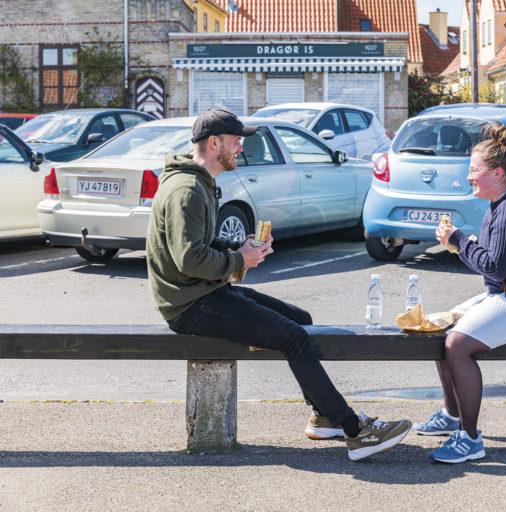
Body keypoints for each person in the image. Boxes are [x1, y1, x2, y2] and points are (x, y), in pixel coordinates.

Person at [146, 109, 411, 461]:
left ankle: (323, 416)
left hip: (202, 293)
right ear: (214, 143)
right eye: (236, 141)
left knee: (300, 319)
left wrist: (237, 250)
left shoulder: (200, 182)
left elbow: (199, 247)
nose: (241, 148)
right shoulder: (188, 189)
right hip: (189, 306)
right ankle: (354, 430)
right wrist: (240, 261)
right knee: (293, 337)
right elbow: (188, 259)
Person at [414, 122, 506, 463]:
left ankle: (469, 439)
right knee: (439, 328)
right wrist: (461, 244)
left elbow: (494, 268)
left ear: (497, 173)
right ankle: (452, 416)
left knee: (457, 345)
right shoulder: (503, 203)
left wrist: (458, 241)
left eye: (473, 171)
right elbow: (494, 268)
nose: (468, 177)